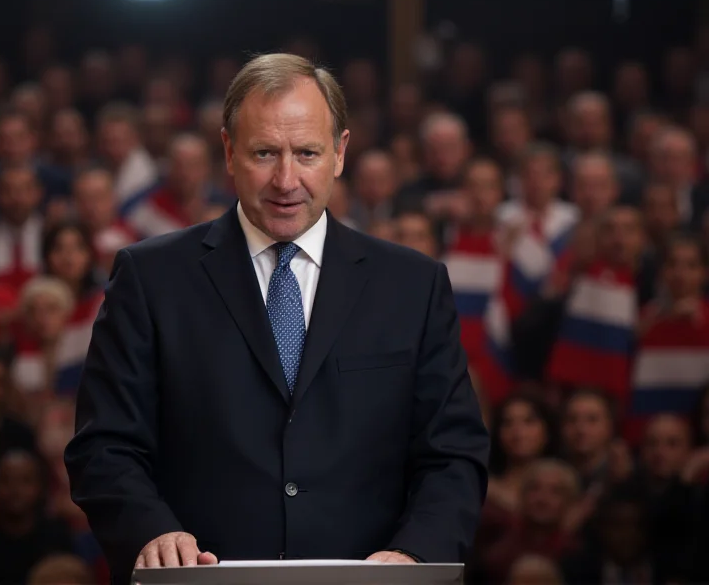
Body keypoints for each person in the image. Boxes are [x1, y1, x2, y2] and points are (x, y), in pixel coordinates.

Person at [65, 53, 489, 584]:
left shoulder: (413, 286)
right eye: (265, 152)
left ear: (339, 153)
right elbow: (103, 444)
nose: (286, 180)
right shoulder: (150, 278)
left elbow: (453, 453)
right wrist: (151, 532)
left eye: (307, 153)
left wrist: (414, 555)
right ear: (228, 151)